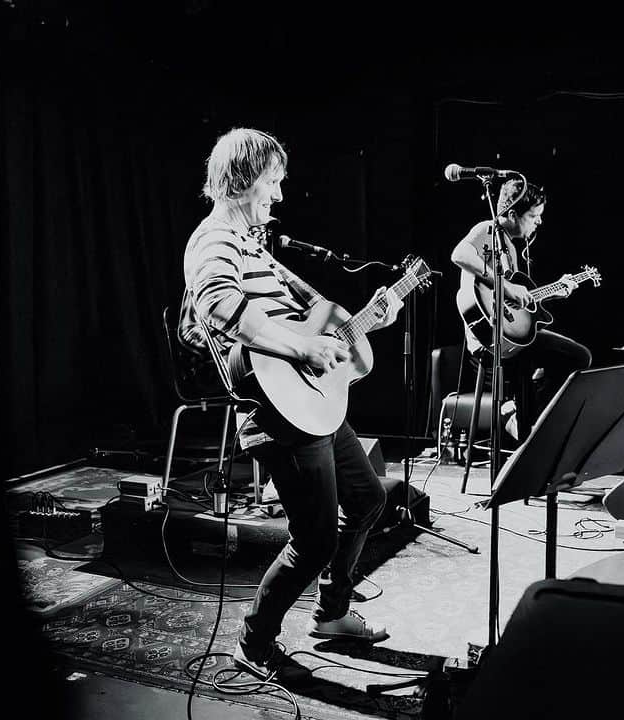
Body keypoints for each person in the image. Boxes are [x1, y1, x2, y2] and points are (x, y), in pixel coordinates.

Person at [179, 128, 402, 678]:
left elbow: (316, 312)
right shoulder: (215, 239)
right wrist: (302, 344)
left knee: (369, 498)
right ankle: (254, 643)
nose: (278, 195)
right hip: (276, 413)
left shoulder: (256, 246)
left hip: (312, 402)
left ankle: (331, 615)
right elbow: (216, 303)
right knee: (316, 538)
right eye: (273, 181)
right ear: (242, 178)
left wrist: (368, 317)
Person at [450, 179, 592, 441]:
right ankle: (527, 427)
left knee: (578, 356)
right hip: (486, 339)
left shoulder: (511, 249)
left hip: (510, 336)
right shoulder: (487, 230)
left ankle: (525, 415)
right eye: (533, 216)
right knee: (554, 357)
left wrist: (554, 292)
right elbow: (459, 255)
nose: (539, 222)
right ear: (513, 214)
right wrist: (505, 286)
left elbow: (517, 308)